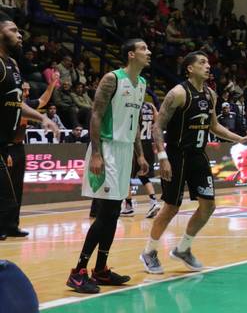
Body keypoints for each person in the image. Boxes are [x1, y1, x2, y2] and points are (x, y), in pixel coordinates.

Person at [140, 51, 247, 275]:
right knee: (171, 207)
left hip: (198, 156)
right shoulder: (178, 93)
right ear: (189, 68)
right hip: (176, 156)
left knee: (208, 206)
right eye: (202, 62)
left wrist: (239, 138)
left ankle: (183, 249)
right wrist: (162, 157)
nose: (208, 66)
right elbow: (157, 127)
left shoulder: (211, 94)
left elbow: (213, 126)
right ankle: (149, 252)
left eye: (209, 62)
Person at [66, 39, 150, 294]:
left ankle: (100, 268)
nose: (149, 53)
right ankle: (78, 271)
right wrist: (96, 154)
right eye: (144, 49)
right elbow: (96, 114)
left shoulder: (142, 84)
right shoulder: (112, 78)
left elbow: (134, 124)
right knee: (107, 212)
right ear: (131, 54)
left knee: (114, 213)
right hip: (107, 148)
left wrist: (141, 155)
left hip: (126, 152)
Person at [1, 15, 61, 241]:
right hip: (3, 142)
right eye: (14, 30)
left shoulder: (13, 65)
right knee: (5, 195)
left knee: (11, 194)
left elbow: (17, 104)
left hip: (9, 143)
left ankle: (10, 226)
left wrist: (42, 119)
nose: (20, 35)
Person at [121, 100, 161, 219]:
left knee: (126, 176)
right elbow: (158, 122)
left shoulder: (133, 106)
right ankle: (154, 201)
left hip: (136, 144)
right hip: (148, 143)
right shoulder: (150, 106)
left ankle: (128, 206)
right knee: (144, 175)